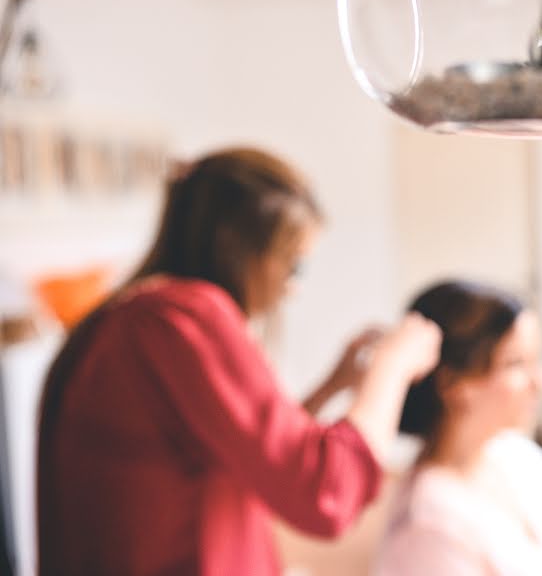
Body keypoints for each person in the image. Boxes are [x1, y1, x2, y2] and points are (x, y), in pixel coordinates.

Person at [37, 148, 442, 576]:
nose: (292, 290)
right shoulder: (183, 318)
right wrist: (392, 369)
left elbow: (244, 454)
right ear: (245, 252)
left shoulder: (129, 317)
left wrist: (332, 386)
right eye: (293, 266)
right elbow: (324, 494)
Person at [374, 280, 542, 576]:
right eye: (516, 364)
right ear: (452, 384)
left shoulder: (522, 458)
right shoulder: (427, 523)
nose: (540, 381)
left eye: (536, 360)